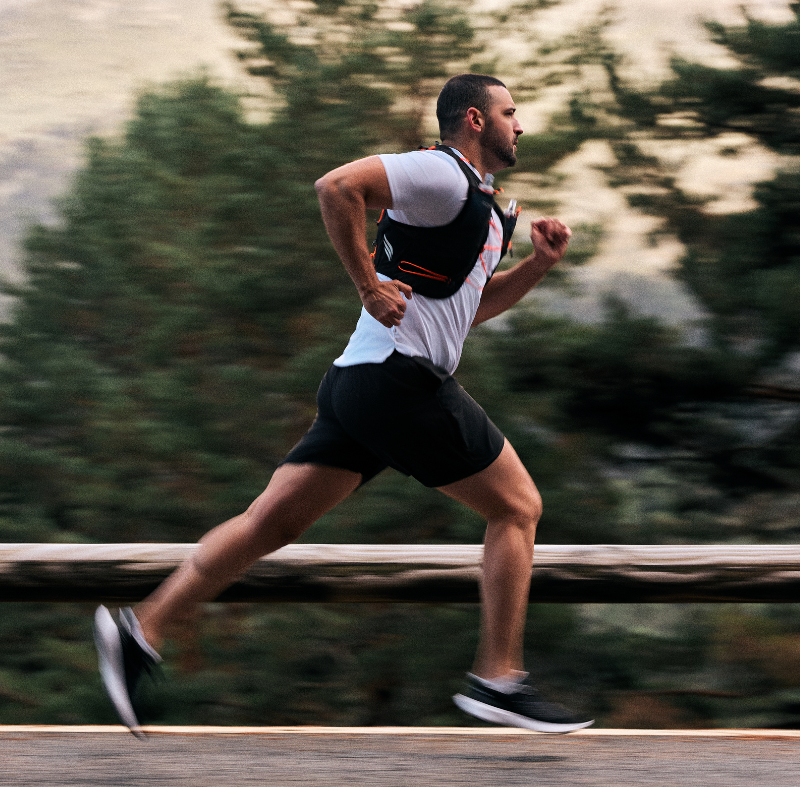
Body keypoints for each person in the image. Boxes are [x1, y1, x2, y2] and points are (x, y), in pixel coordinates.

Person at [94, 73, 593, 737]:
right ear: (474, 119)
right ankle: (498, 678)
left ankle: (140, 628)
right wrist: (366, 283)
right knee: (518, 505)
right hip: (399, 382)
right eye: (510, 112)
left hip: (360, 384)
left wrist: (536, 265)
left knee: (268, 523)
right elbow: (336, 186)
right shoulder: (439, 173)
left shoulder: (479, 200)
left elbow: (465, 313)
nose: (520, 125)